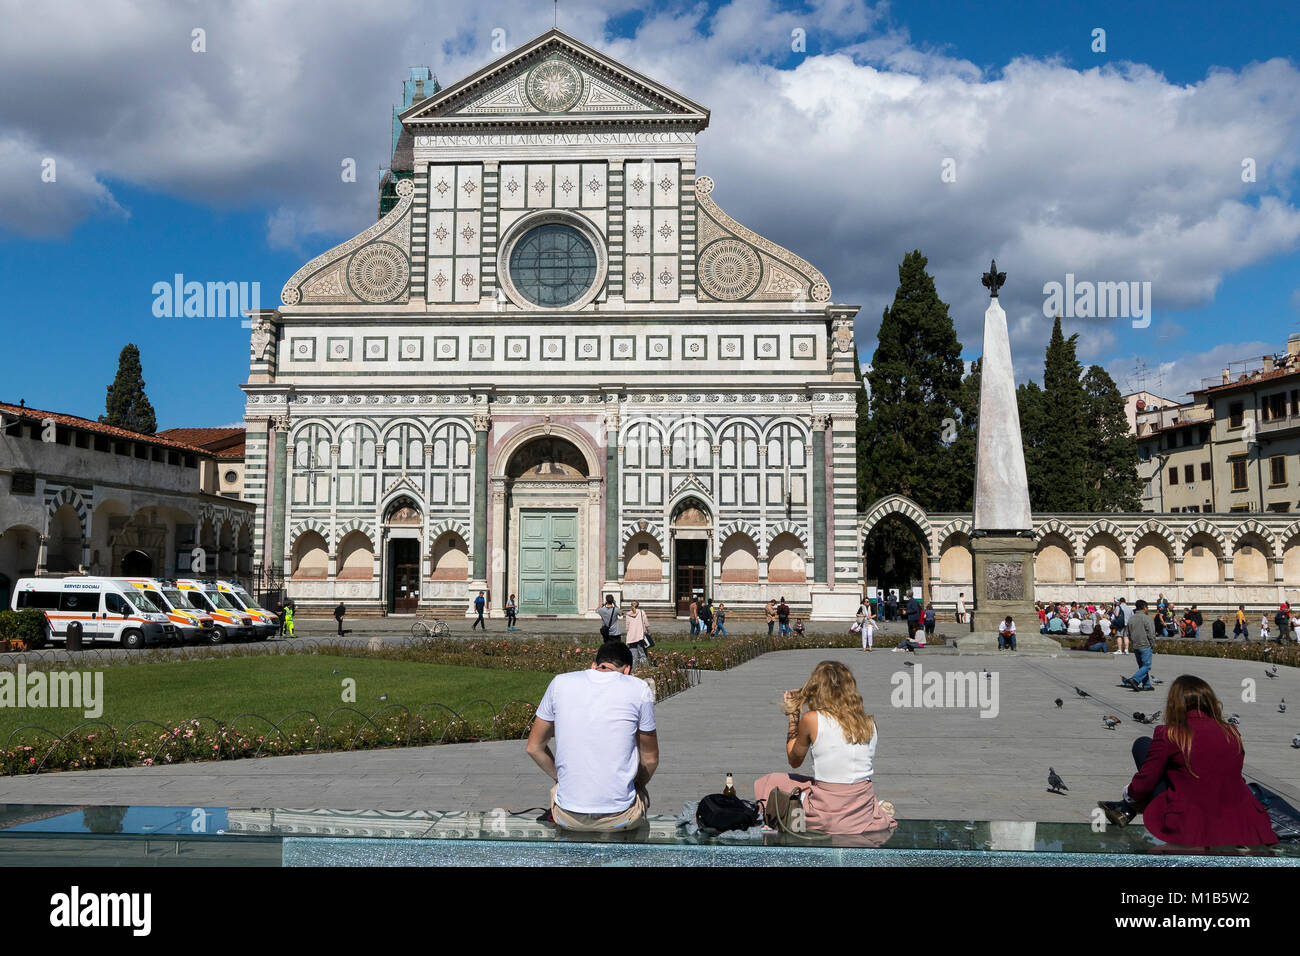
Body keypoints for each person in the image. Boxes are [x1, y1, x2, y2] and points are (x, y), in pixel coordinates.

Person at [1098, 675, 1277, 847]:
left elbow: (1145, 782)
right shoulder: (1231, 732)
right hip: (1244, 822)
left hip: (1191, 823)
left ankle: (1126, 809)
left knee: (1143, 745)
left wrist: (1129, 796)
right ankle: (1127, 808)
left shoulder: (1170, 733)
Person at [753, 661, 897, 836]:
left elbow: (794, 760)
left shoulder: (813, 719)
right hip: (860, 811)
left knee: (772, 781)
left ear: (817, 689)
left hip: (826, 813)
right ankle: (875, 809)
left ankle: (798, 820)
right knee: (842, 788)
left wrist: (793, 717)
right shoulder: (869, 723)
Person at [526, 641, 658, 832]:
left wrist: (560, 777)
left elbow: (533, 747)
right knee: (639, 794)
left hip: (566, 816)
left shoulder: (560, 682)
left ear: (594, 665)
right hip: (620, 818)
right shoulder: (638, 688)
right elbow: (650, 759)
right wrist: (637, 784)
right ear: (627, 670)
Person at [1121, 599, 1157, 692]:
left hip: (1136, 645)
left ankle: (1147, 685)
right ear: (1144, 607)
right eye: (1147, 607)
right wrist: (1152, 643)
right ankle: (1135, 679)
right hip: (1145, 645)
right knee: (1147, 666)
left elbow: (1127, 633)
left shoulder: (1131, 618)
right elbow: (1151, 633)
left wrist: (1133, 642)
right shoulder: (1147, 618)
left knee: (1142, 666)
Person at [623, 599, 650, 667]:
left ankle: (634, 666)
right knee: (642, 652)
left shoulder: (628, 614)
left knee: (633, 653)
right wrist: (648, 630)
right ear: (638, 605)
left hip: (631, 636)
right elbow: (646, 623)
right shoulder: (641, 612)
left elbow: (627, 626)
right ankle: (644, 666)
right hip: (640, 635)